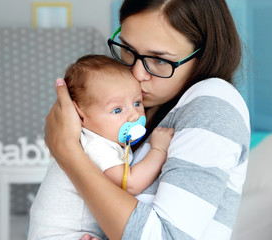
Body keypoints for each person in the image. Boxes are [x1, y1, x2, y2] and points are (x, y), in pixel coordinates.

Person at [44, 0, 251, 239]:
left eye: (160, 60)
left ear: (203, 56)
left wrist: (67, 150)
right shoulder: (150, 111)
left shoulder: (214, 102)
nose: (136, 73)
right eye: (128, 50)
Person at [28, 55, 174, 239]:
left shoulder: (100, 140)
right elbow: (130, 184)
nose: (134, 116)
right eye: (117, 110)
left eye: (137, 103)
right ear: (79, 115)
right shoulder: (96, 145)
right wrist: (158, 150)